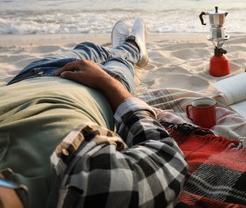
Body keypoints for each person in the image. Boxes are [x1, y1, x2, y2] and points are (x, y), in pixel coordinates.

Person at [0, 19, 188, 208]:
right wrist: (109, 84)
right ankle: (132, 47)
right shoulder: (82, 190)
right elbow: (167, 156)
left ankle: (118, 48)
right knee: (120, 61)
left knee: (88, 48)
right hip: (99, 90)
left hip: (29, 76)